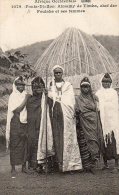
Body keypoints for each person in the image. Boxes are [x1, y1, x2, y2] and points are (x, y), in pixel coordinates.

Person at [48, 65, 82, 172]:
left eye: (59, 73)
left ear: (62, 74)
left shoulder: (68, 85)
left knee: (68, 138)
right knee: (57, 137)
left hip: (66, 115)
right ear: (53, 74)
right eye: (56, 73)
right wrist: (48, 94)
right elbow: (50, 99)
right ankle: (59, 165)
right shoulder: (51, 85)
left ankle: (70, 165)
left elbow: (70, 100)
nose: (58, 74)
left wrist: (57, 98)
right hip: (55, 115)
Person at [27, 76, 54, 173]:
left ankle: (45, 165)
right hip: (33, 127)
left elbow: (51, 106)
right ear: (32, 88)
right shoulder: (30, 100)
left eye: (40, 87)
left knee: (45, 143)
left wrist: (46, 96)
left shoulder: (46, 98)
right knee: (34, 144)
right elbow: (29, 115)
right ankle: (35, 165)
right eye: (35, 87)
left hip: (44, 126)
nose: (37, 89)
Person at [75, 77, 103, 173]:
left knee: (94, 141)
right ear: (80, 88)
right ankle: (87, 165)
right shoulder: (78, 99)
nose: (85, 89)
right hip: (83, 123)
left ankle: (94, 163)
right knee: (85, 143)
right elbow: (76, 111)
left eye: (87, 87)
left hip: (94, 123)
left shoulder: (95, 98)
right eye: (83, 87)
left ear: (90, 87)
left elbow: (98, 110)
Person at [6, 76, 29, 176]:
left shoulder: (25, 94)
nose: (21, 86)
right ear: (15, 85)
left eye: (23, 84)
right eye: (19, 84)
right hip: (15, 122)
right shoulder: (13, 96)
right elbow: (17, 110)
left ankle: (24, 167)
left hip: (24, 122)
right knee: (15, 144)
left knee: (24, 144)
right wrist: (26, 99)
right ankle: (13, 167)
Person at [96, 73, 119, 171]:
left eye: (108, 82)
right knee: (103, 141)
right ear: (101, 83)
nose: (106, 84)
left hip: (113, 121)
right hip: (103, 120)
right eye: (104, 82)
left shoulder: (114, 92)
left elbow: (115, 106)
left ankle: (117, 164)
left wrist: (107, 105)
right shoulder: (98, 93)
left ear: (110, 83)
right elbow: (97, 106)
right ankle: (105, 164)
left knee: (115, 140)